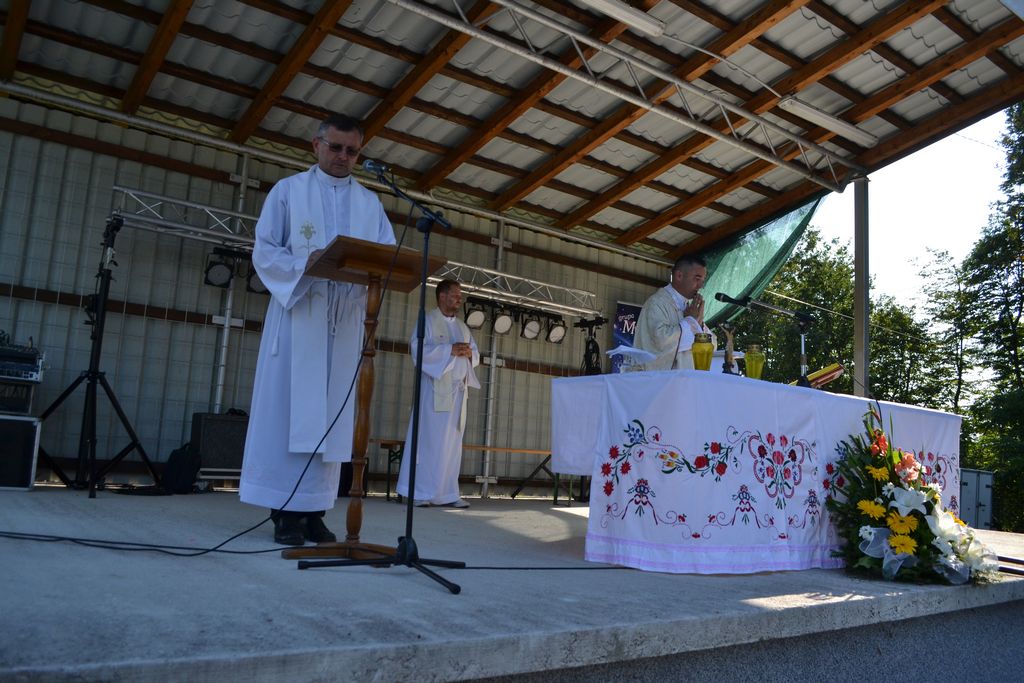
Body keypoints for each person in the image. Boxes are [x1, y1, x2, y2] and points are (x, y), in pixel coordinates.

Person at [239, 114, 396, 545]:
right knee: (291, 415)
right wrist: (301, 265)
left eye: (352, 151)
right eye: (336, 147)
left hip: (343, 324)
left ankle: (315, 512)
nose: (343, 157)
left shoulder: (369, 204)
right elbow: (265, 250)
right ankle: (284, 514)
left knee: (332, 419)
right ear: (316, 145)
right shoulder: (289, 191)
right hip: (300, 318)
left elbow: (385, 257)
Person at [396, 279, 480, 508]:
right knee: (429, 442)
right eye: (455, 295)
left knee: (452, 444)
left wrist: (469, 354)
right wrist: (449, 350)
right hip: (434, 393)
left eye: (460, 295)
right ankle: (419, 492)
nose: (459, 299)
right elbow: (418, 350)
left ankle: (447, 493)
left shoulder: (463, 327)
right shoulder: (428, 321)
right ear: (442, 296)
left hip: (458, 394)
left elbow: (475, 354)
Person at [632, 254, 717, 371]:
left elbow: (713, 346)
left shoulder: (689, 308)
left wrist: (699, 324)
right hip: (659, 380)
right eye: (697, 279)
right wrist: (690, 322)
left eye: (703, 280)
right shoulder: (657, 303)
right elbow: (660, 342)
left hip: (686, 378)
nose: (701, 285)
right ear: (679, 276)